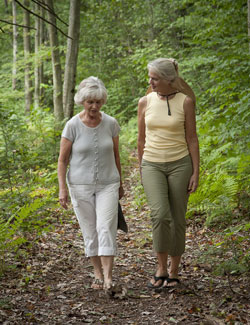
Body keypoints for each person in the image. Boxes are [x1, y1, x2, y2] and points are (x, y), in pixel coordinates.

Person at [137, 58, 199, 289]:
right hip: (152, 164)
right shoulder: (145, 102)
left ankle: (174, 270)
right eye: (150, 77)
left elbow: (192, 139)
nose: (150, 82)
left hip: (180, 165)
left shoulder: (186, 102)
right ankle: (160, 267)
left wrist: (196, 171)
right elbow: (140, 139)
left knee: (177, 217)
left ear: (168, 80)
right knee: (160, 215)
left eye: (154, 78)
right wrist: (141, 167)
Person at [58, 76, 124, 291]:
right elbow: (62, 160)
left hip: (108, 183)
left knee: (106, 227)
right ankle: (96, 272)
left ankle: (108, 277)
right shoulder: (72, 126)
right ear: (82, 102)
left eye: (98, 101)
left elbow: (116, 156)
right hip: (80, 186)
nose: (94, 106)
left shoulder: (111, 124)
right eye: (90, 102)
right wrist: (62, 189)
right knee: (90, 231)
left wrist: (120, 183)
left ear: (102, 101)